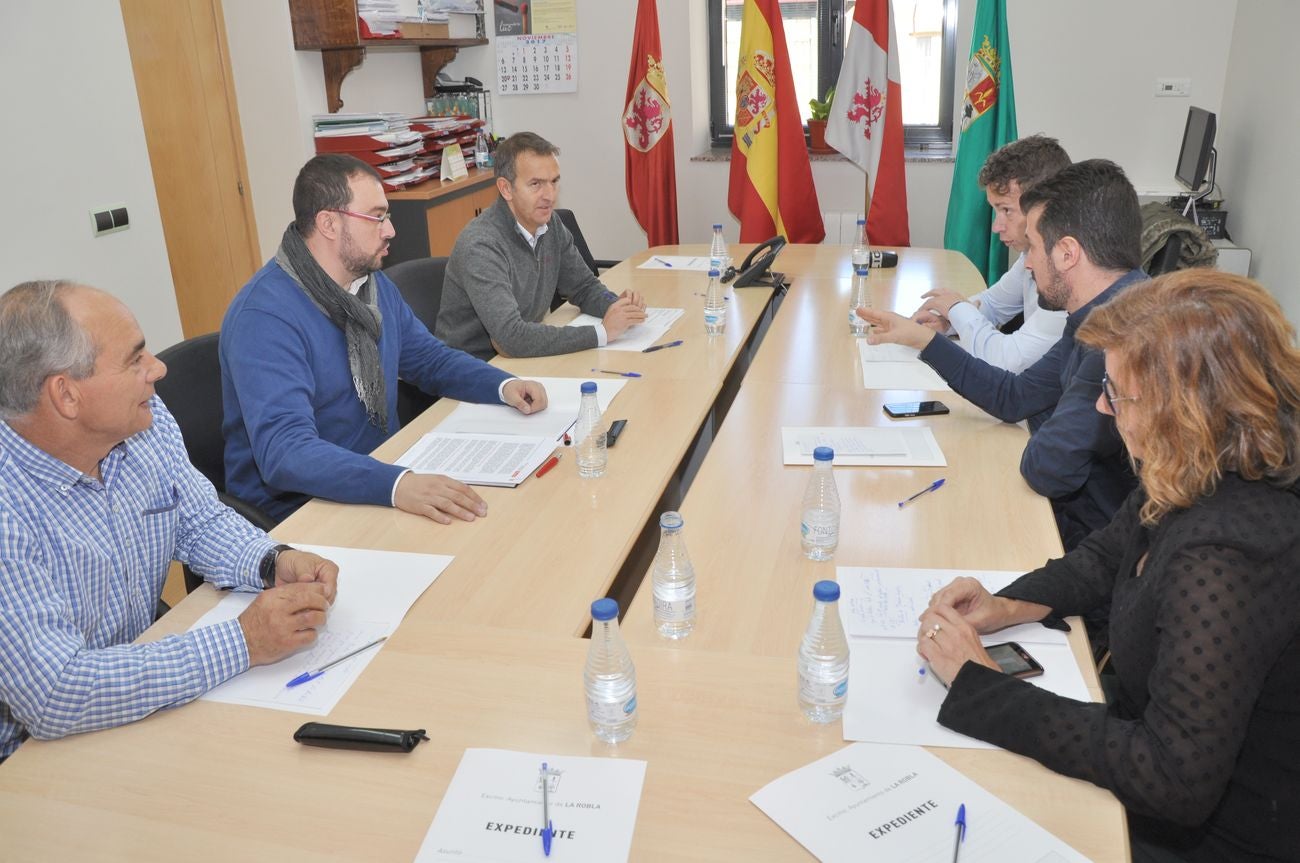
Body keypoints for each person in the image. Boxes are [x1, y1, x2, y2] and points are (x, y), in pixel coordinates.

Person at [915, 271, 1300, 863]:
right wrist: (1008, 604)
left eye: (1117, 394)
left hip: (1219, 836)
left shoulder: (1229, 555)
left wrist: (980, 686)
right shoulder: (1194, 465)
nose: (1101, 406)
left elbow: (1172, 777)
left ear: (1182, 410)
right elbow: (1104, 557)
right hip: (1150, 753)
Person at [0, 280, 339, 761]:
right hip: (29, 757)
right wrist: (243, 642)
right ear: (66, 395)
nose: (158, 369)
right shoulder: (8, 506)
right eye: (134, 359)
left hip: (137, 691)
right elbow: (56, 692)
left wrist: (271, 561)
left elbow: (197, 519)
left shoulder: (144, 420)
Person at [221, 154, 548, 523]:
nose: (390, 230)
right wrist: (397, 485)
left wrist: (503, 386)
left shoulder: (370, 286)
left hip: (380, 473)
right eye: (376, 217)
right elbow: (286, 453)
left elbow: (429, 359)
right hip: (301, 512)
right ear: (329, 223)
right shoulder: (264, 317)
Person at [859, 160, 1147, 549]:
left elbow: (1047, 469)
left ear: (1067, 253)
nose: (1027, 263)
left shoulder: (1120, 338)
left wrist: (1048, 418)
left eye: (1035, 247)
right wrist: (926, 342)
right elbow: (1016, 397)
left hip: (1090, 543)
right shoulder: (1101, 311)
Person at [436, 131, 647, 360]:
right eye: (536, 184)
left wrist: (617, 307)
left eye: (554, 182)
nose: (550, 196)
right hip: (473, 366)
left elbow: (584, 287)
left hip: (521, 357)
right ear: (506, 189)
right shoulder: (481, 245)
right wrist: (602, 333)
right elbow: (511, 338)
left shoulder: (549, 224)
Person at [911, 135, 1069, 373]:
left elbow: (1010, 360)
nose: (996, 226)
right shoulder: (1032, 252)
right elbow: (994, 304)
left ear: (1045, 207)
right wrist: (948, 321)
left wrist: (957, 309)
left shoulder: (1067, 270)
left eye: (1006, 210)